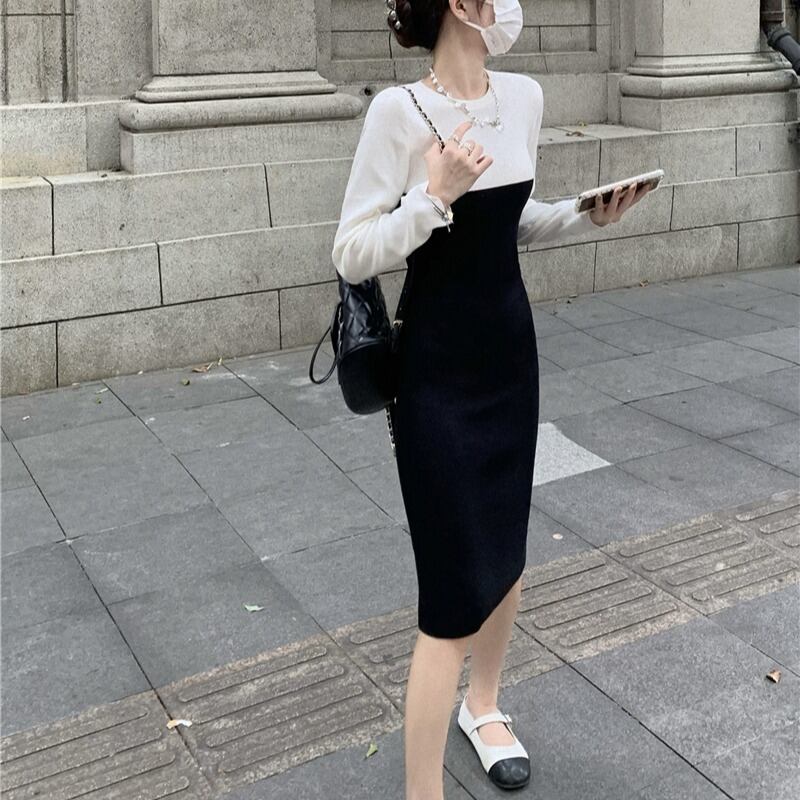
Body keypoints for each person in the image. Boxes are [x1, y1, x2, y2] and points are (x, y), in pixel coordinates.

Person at [331, 2, 650, 798]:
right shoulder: (399, 113)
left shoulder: (524, 98)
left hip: (510, 355)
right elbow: (351, 251)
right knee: (449, 592)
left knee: (506, 552)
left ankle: (484, 706)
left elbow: (511, 226)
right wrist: (430, 197)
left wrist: (582, 214)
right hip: (435, 370)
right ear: (460, 5)